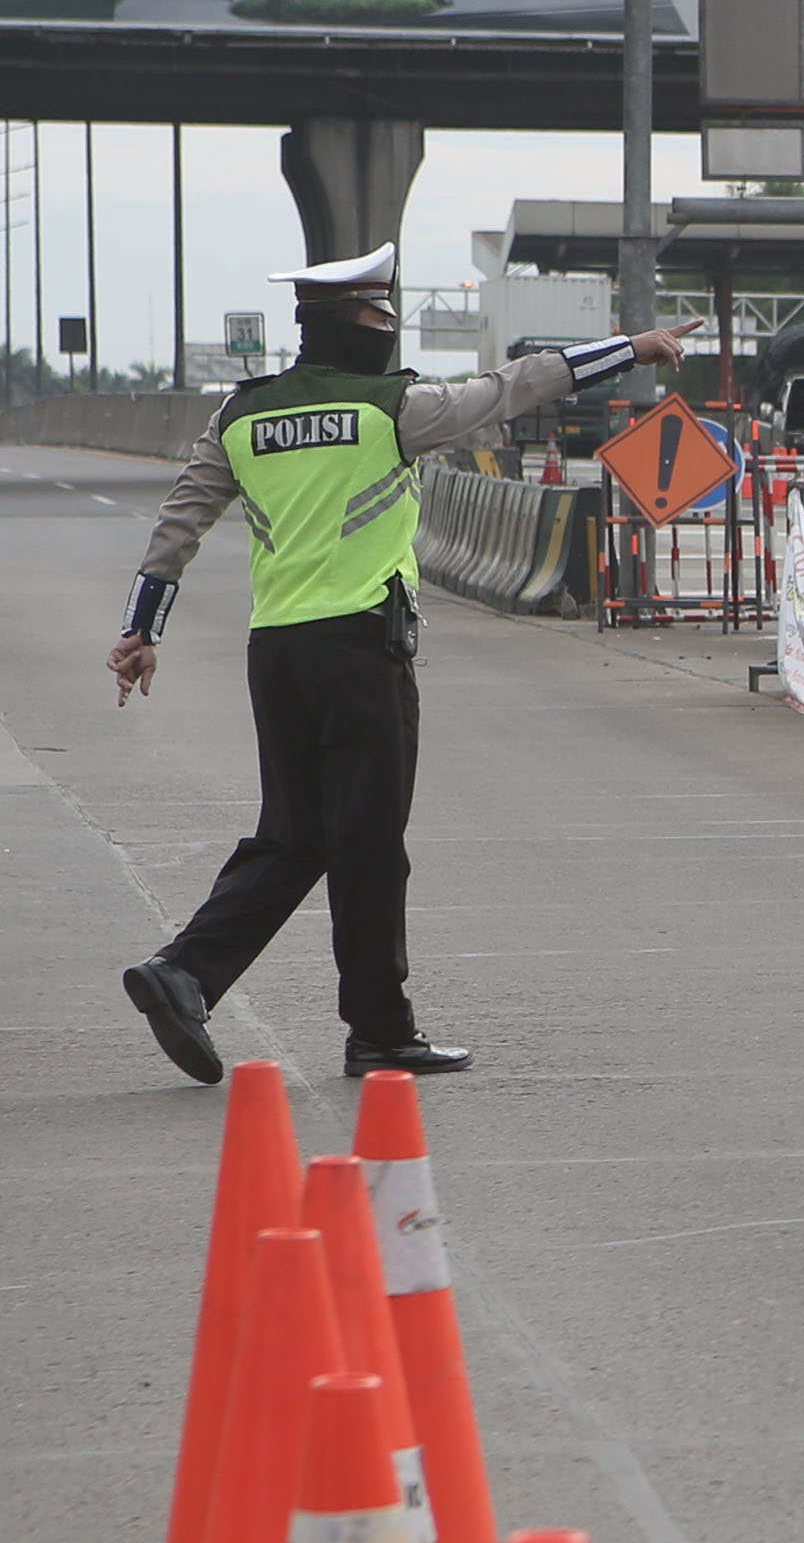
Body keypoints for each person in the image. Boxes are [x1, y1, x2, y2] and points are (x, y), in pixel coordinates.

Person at [107, 249, 696, 1082]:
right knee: (370, 844)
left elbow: (176, 529)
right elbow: (518, 383)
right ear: (367, 322)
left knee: (295, 834)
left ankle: (185, 972)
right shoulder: (395, 409)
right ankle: (379, 1032)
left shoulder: (241, 416)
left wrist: (140, 632)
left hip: (275, 653)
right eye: (385, 318)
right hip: (360, 651)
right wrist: (631, 347)